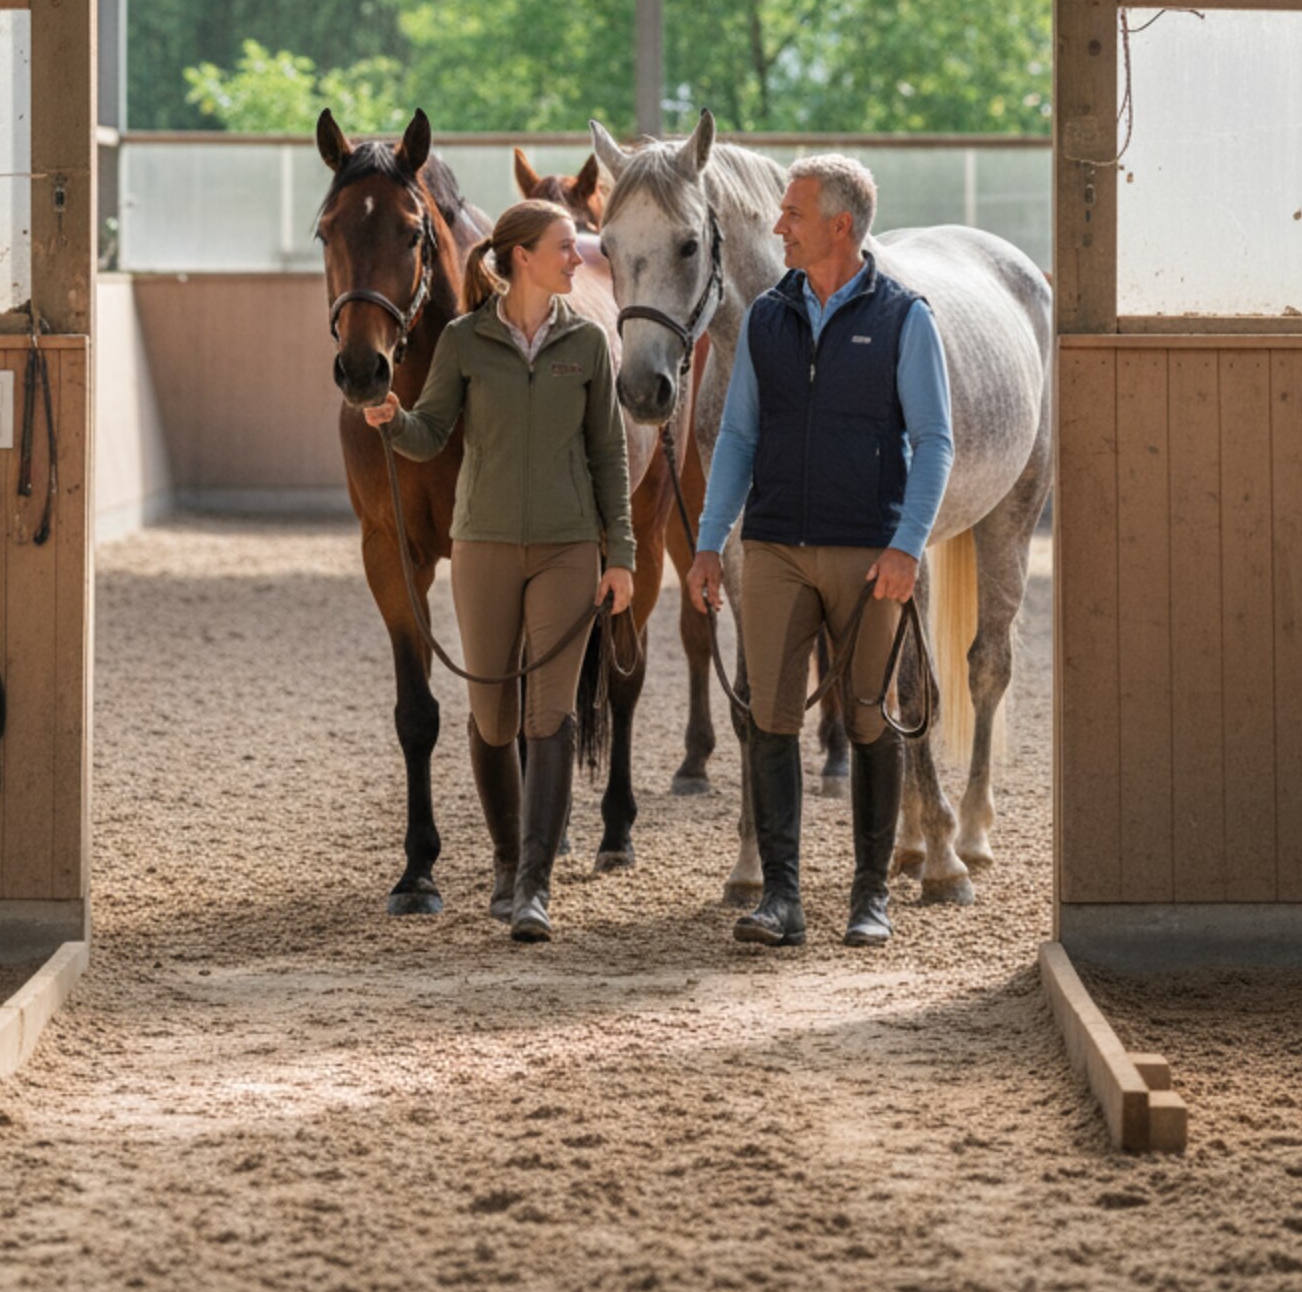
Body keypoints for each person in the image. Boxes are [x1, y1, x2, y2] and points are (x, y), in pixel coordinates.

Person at [686, 154, 953, 950]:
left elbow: (935, 444)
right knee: (770, 720)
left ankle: (869, 898)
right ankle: (783, 899)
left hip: (871, 555)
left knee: (870, 721)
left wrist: (907, 545)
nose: (777, 226)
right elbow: (736, 436)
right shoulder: (768, 316)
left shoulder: (907, 318)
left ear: (840, 225)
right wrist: (709, 544)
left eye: (792, 215)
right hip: (772, 549)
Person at [364, 198, 636, 944]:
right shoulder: (463, 341)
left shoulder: (587, 340)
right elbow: (433, 432)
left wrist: (623, 557)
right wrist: (396, 422)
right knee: (493, 716)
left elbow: (610, 457)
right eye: (563, 247)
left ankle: (534, 886)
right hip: (482, 547)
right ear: (520, 256)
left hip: (568, 548)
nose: (578, 258)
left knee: (550, 716)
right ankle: (507, 860)